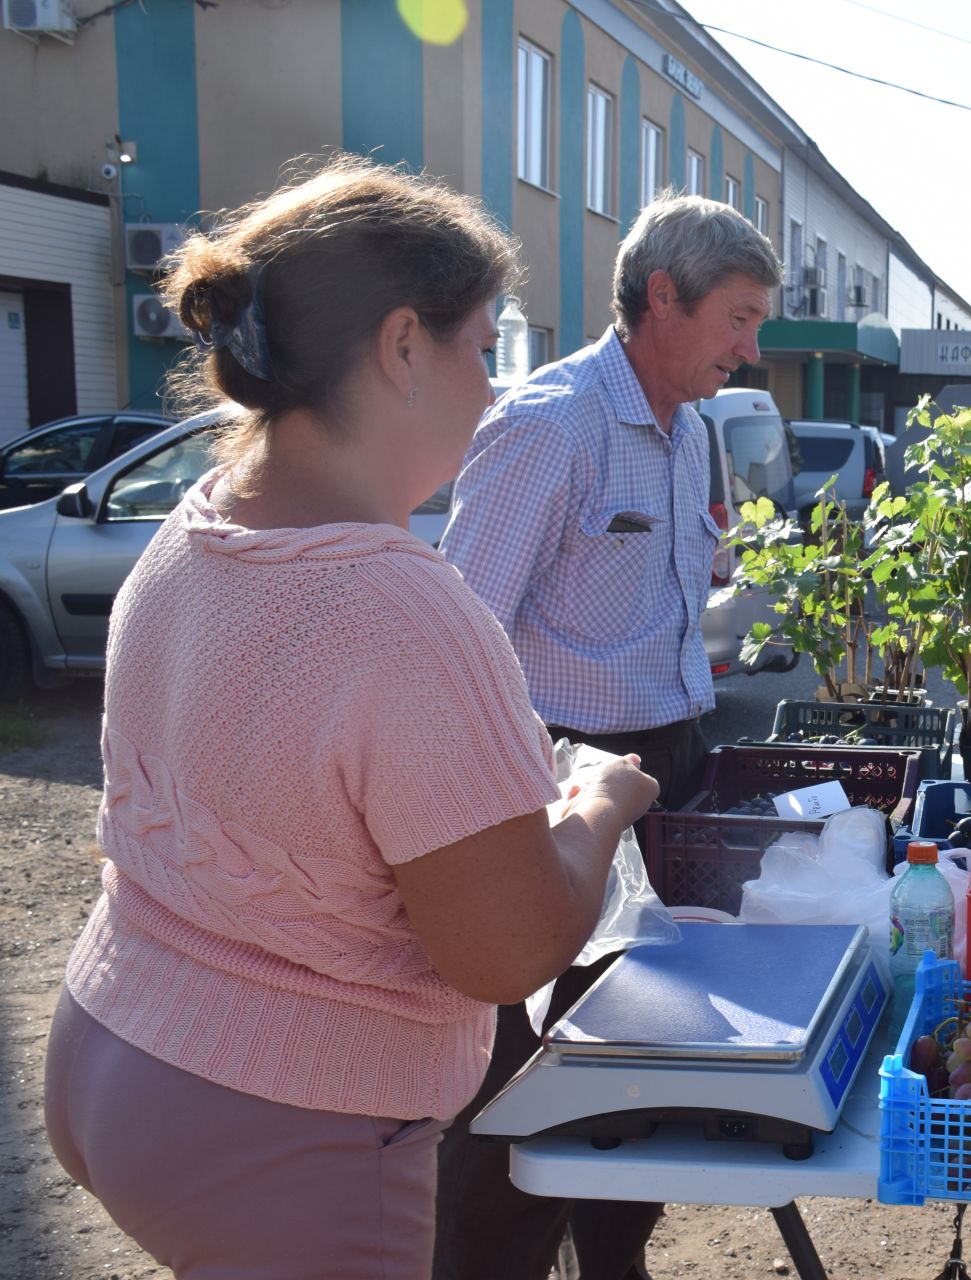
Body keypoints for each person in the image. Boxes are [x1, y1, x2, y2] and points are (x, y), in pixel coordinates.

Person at [40, 156, 660, 1280]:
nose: (496, 386)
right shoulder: (405, 612)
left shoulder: (191, 529)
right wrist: (599, 807)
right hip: (284, 1132)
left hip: (113, 1047)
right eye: (485, 345)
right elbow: (506, 949)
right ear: (402, 344)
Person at [433, 193, 782, 1280]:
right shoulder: (550, 423)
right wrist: (534, 806)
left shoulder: (686, 434)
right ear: (661, 297)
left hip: (663, 766)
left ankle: (613, 1255)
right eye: (738, 318)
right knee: (522, 1075)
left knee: (636, 1053)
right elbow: (461, 642)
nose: (751, 348)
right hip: (554, 775)